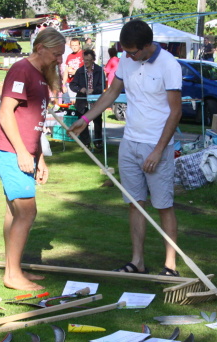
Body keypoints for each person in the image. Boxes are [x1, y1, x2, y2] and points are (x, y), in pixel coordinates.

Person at [68, 19, 183, 277]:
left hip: (157, 144)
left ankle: (170, 266)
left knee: (163, 205)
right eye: (125, 52)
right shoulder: (127, 60)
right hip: (129, 142)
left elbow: (175, 112)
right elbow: (111, 93)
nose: (128, 56)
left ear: (146, 45)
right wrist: (85, 119)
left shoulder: (169, 65)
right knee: (135, 203)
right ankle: (137, 262)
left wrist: (158, 150)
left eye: (132, 52)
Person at [0, 27, 64, 291]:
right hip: (10, 150)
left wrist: (39, 157)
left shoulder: (40, 75)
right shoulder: (21, 70)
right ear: (40, 48)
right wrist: (22, 152)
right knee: (27, 211)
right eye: (56, 54)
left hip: (24, 151)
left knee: (15, 211)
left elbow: (34, 121)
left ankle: (14, 269)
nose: (59, 60)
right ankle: (12, 276)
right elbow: (5, 113)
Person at [69, 49, 104, 148]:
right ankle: (86, 143)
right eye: (84, 60)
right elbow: (72, 85)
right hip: (82, 101)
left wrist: (94, 90)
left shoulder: (99, 70)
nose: (86, 62)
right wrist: (81, 89)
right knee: (82, 120)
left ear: (93, 60)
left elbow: (102, 86)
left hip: (95, 101)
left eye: (88, 60)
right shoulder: (80, 71)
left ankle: (98, 142)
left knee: (97, 122)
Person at [62, 38, 83, 103]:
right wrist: (63, 84)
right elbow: (66, 71)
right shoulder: (69, 56)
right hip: (70, 83)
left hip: (80, 83)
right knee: (70, 103)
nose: (74, 47)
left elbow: (88, 68)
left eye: (76, 45)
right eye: (72, 45)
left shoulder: (84, 54)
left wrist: (76, 72)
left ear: (79, 45)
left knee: (79, 102)